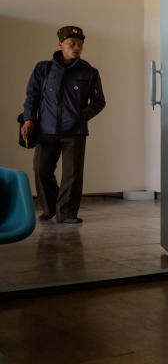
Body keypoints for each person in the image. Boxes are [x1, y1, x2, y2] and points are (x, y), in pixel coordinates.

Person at [20, 25, 106, 224]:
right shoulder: (43, 69)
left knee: (72, 175)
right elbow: (31, 97)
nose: (76, 48)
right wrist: (28, 119)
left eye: (80, 44)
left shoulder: (90, 71)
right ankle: (50, 208)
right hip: (46, 130)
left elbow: (99, 101)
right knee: (41, 170)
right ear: (60, 44)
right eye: (71, 44)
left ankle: (66, 213)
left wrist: (83, 115)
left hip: (75, 132)